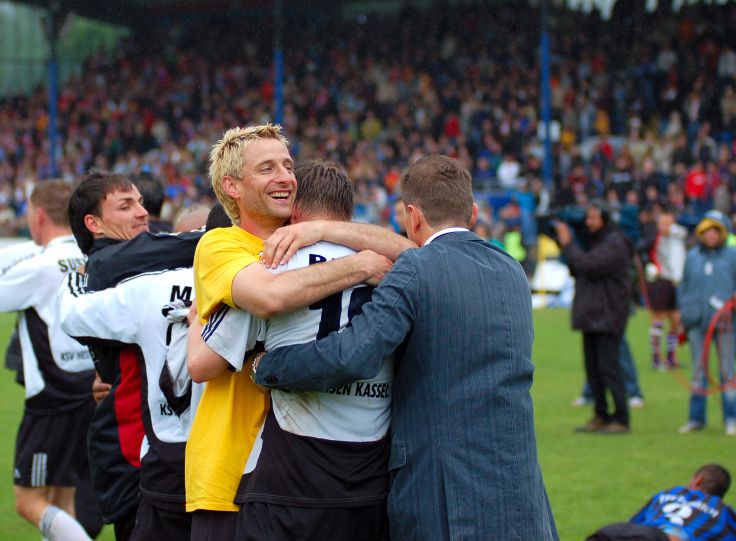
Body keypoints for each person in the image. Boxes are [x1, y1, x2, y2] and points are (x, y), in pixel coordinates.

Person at [253, 155, 558, 540]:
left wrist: (267, 366)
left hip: (443, 495)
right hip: (520, 488)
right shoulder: (512, 270)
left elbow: (352, 357)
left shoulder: (415, 269)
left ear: (412, 216)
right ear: (474, 213)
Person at [186, 124, 405, 540]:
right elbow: (206, 358)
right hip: (232, 465)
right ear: (232, 186)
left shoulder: (308, 248)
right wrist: (360, 265)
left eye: (288, 166)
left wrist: (322, 230)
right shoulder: (224, 246)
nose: (285, 176)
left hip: (298, 472)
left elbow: (420, 256)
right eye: (266, 168)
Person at [57, 208, 231, 541]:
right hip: (239, 464)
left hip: (166, 463)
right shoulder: (265, 283)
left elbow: (72, 313)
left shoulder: (151, 288)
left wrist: (77, 276)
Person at [0, 179, 96, 541]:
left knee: (28, 501)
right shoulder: (88, 256)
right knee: (62, 498)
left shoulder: (40, 265)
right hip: (89, 388)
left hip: (52, 400)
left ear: (38, 216)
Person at [556, 203, 632, 434]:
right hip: (592, 314)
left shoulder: (615, 243)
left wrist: (568, 243)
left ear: (605, 219)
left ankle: (620, 418)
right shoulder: (594, 241)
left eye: (593, 218)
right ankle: (601, 415)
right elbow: (577, 266)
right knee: (593, 370)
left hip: (608, 314)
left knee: (609, 368)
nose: (588, 223)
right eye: (587, 218)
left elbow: (588, 265)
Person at [677, 210, 736, 436]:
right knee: (698, 372)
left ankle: (731, 418)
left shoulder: (732, 256)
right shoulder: (693, 256)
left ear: (722, 233)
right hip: (696, 322)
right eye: (707, 231)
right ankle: (696, 419)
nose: (711, 235)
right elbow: (684, 286)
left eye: (715, 231)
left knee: (727, 372)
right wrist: (684, 315)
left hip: (725, 324)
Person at [586, 464, 736, 541]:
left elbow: (634, 523)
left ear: (698, 480)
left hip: (618, 531)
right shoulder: (723, 510)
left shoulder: (673, 492)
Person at [642, 207, 687, 370]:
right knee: (658, 319)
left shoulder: (677, 237)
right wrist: (650, 267)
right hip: (661, 282)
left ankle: (671, 357)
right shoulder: (655, 238)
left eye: (668, 223)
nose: (665, 227)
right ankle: (656, 358)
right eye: (662, 223)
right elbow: (640, 250)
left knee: (675, 320)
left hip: (675, 282)